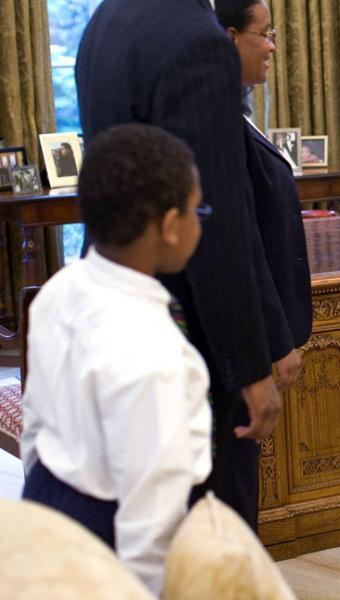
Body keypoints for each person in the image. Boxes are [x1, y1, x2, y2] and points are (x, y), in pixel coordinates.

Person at [76, 0, 283, 529]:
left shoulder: (106, 19)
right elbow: (217, 216)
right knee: (213, 518)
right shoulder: (198, 40)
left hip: (116, 298)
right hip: (187, 322)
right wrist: (250, 366)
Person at [20, 123, 211, 595]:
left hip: (47, 495)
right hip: (110, 532)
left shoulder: (59, 290)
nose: (200, 221)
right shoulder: (155, 351)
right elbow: (152, 514)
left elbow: (35, 423)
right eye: (197, 210)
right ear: (170, 226)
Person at [216, 0, 311, 393]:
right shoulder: (218, 121)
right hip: (250, 339)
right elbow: (241, 240)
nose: (272, 45)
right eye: (265, 33)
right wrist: (276, 338)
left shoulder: (236, 112)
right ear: (231, 37)